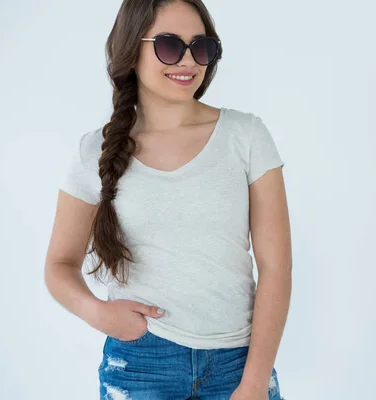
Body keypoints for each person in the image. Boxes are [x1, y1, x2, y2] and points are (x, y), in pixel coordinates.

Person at [43, 0, 292, 399]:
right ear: (131, 49)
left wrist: (254, 382)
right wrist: (97, 312)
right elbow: (59, 264)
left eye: (202, 47)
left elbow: (276, 268)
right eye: (170, 45)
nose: (189, 61)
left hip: (239, 362)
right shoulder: (95, 152)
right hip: (141, 363)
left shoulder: (245, 136)